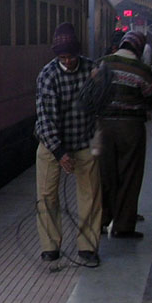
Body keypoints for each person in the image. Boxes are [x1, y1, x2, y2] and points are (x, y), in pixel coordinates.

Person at [34, 21, 102, 266]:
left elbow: (100, 105)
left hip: (84, 139)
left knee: (90, 194)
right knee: (46, 195)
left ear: (78, 53)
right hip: (52, 142)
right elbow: (46, 119)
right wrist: (59, 152)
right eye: (63, 57)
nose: (68, 61)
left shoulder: (92, 70)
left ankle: (88, 247)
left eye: (71, 56)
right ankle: (50, 246)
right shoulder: (48, 75)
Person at [97, 30, 152, 238]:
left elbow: (91, 90)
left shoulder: (103, 63)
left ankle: (100, 220)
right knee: (129, 175)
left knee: (104, 173)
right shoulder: (142, 70)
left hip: (103, 126)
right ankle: (123, 226)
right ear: (140, 48)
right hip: (131, 128)